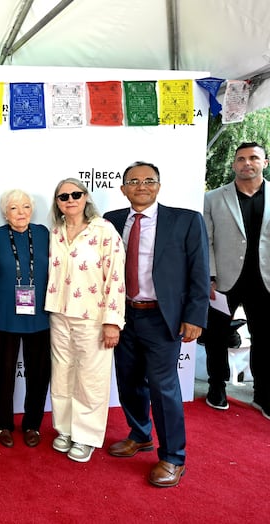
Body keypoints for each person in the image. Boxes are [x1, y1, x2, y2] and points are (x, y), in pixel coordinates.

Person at [104, 161, 209, 487]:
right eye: (133, 181)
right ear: (123, 189)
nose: (141, 186)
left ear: (159, 186)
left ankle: (173, 457)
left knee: (164, 388)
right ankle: (140, 434)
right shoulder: (113, 221)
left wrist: (194, 316)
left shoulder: (185, 221)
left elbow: (199, 271)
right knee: (129, 381)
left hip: (162, 318)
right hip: (124, 316)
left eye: (149, 180)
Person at [45, 178, 125, 463]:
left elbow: (116, 278)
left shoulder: (104, 230)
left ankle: (86, 436)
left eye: (75, 194)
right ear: (57, 202)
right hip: (58, 314)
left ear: (86, 197)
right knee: (62, 376)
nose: (70, 199)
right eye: (63, 196)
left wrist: (113, 321)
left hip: (93, 317)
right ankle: (65, 430)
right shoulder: (55, 232)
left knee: (91, 380)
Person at [204, 142, 270, 419]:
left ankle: (263, 394)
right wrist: (210, 276)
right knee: (215, 336)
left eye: (253, 158)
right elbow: (206, 240)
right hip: (224, 282)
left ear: (264, 162)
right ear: (234, 164)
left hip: (265, 281)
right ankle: (216, 386)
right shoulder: (213, 198)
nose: (247, 163)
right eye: (241, 158)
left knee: (266, 338)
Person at [0, 189, 50, 448]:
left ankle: (32, 424)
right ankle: (3, 425)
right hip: (4, 314)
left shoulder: (44, 234)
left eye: (25, 207)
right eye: (13, 208)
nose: (20, 212)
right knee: (4, 374)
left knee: (39, 374)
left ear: (32, 210)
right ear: (5, 212)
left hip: (40, 315)